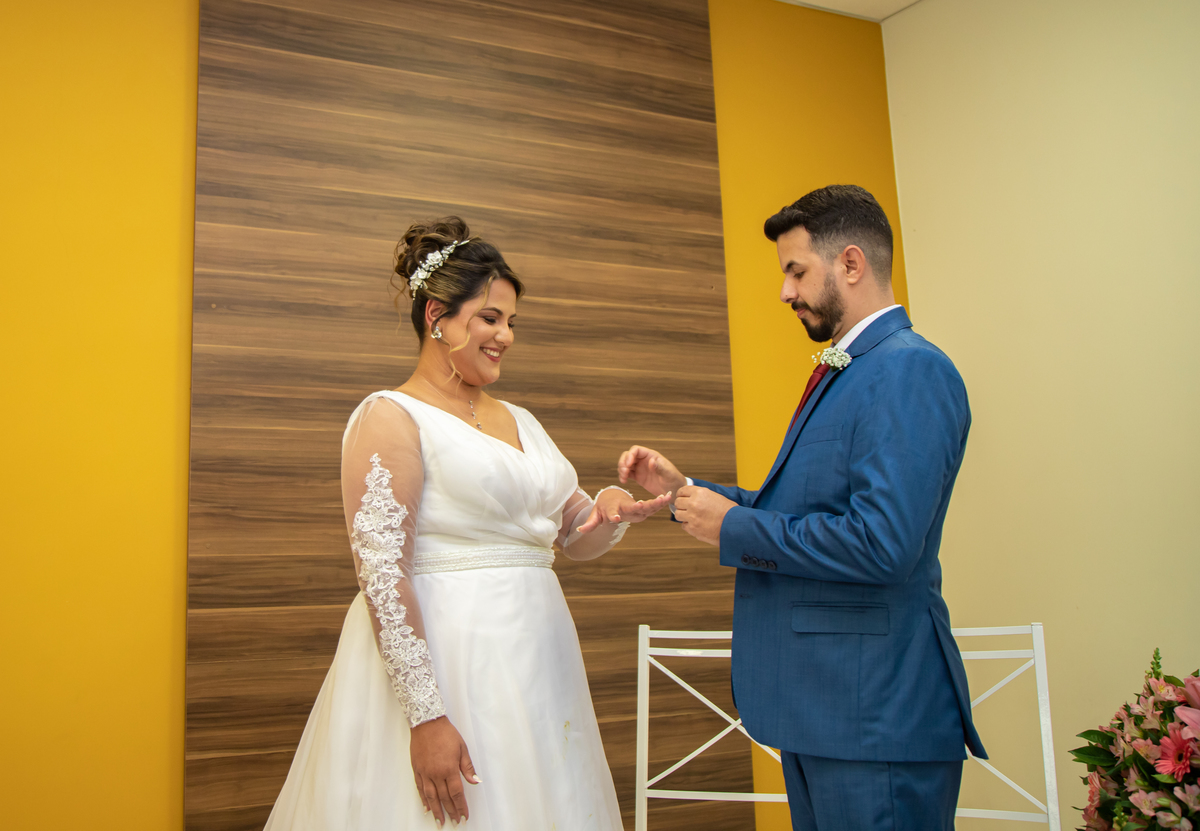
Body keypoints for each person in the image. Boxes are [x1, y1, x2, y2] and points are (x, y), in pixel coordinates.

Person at [265, 217, 669, 830]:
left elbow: (572, 534)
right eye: (490, 318)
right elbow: (382, 576)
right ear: (437, 316)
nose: (506, 336)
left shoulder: (523, 420)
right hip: (452, 661)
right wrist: (426, 716)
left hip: (537, 660)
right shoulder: (391, 416)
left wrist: (609, 508)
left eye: (511, 322)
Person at [618, 185, 986, 831]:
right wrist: (688, 492)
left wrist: (735, 527)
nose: (785, 292)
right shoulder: (851, 368)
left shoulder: (909, 370)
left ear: (851, 263)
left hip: (875, 716)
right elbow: (802, 508)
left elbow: (883, 544)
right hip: (826, 711)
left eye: (796, 271)